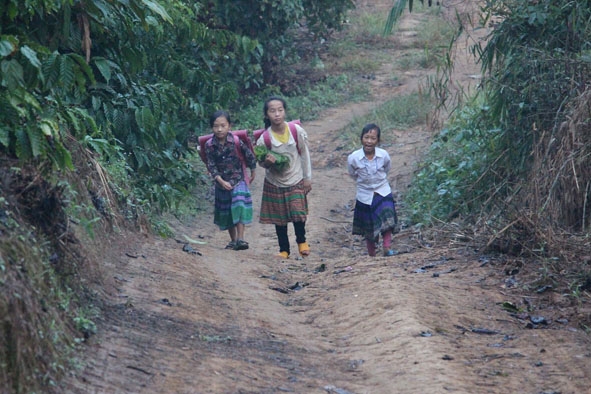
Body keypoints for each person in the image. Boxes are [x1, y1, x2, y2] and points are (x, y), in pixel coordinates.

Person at [256, 96, 312, 259]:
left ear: (285, 112)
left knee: (298, 212)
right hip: (275, 182)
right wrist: (267, 162)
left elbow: (305, 155)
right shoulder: (264, 139)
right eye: (272, 111)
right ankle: (284, 250)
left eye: (280, 110)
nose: (277, 114)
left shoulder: (296, 131)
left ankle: (302, 242)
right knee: (279, 218)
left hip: (295, 178)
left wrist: (307, 178)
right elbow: (261, 163)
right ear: (267, 115)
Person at [204, 110, 257, 250]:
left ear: (229, 126)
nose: (219, 129)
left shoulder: (236, 141)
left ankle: (241, 238)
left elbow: (249, 155)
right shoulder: (209, 145)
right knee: (226, 211)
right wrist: (221, 181)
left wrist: (253, 171)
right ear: (211, 127)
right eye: (216, 126)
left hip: (238, 179)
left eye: (223, 125)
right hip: (221, 183)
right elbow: (211, 166)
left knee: (239, 205)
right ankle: (233, 240)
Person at [347, 123, 399, 257]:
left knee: (387, 219)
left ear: (378, 140)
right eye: (366, 137)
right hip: (365, 195)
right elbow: (353, 174)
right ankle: (372, 254)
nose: (369, 141)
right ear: (361, 139)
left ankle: (387, 247)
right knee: (369, 227)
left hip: (382, 191)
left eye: (373, 138)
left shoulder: (383, 155)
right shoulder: (354, 158)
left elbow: (387, 168)